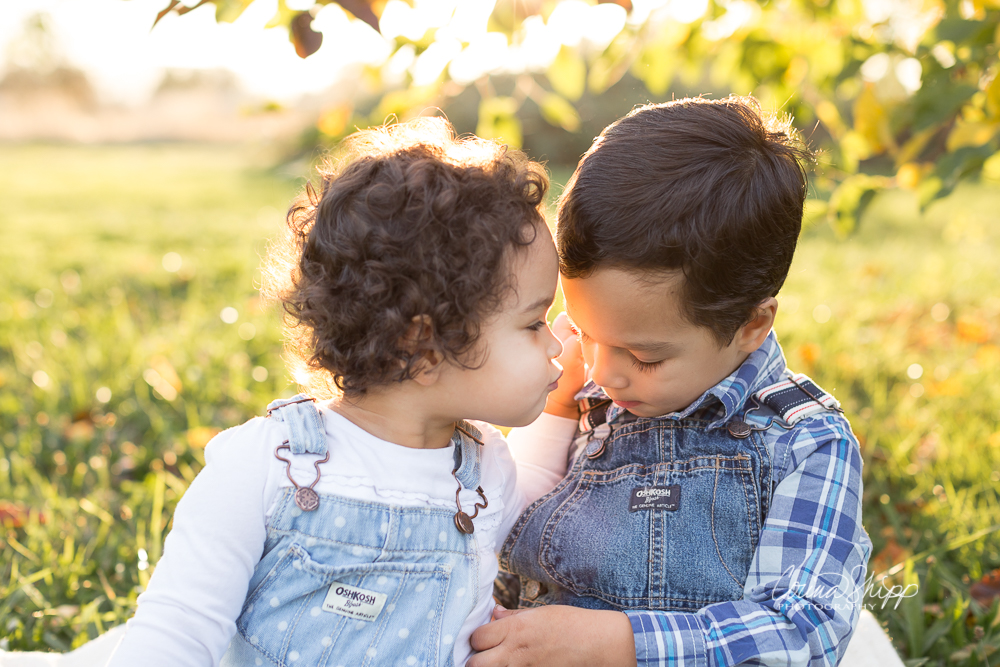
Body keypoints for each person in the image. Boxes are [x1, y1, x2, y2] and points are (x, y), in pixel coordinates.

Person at [103, 117, 583, 667]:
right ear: (423, 345)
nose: (555, 342)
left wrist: (563, 407)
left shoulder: (483, 471)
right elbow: (178, 631)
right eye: (533, 323)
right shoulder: (269, 465)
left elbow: (539, 504)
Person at [469, 97, 873, 666]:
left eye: (643, 356)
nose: (604, 374)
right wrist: (556, 415)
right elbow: (511, 529)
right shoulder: (585, 399)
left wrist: (614, 645)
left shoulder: (806, 445)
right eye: (585, 333)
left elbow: (802, 633)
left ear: (751, 325)